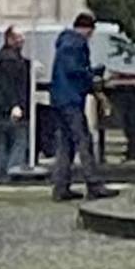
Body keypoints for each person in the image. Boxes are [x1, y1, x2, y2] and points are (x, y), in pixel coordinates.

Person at [47, 11, 115, 201]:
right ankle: (94, 184)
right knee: (83, 140)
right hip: (71, 99)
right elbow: (75, 70)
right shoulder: (76, 43)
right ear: (86, 29)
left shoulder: (64, 41)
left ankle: (61, 186)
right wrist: (92, 76)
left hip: (59, 98)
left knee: (66, 144)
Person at [0, 26, 34, 178]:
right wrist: (16, 105)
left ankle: (1, 174)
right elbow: (10, 85)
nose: (22, 40)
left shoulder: (6, 56)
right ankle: (12, 171)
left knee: (4, 142)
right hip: (11, 107)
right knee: (19, 139)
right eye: (18, 37)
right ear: (9, 39)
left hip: (3, 107)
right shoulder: (10, 59)